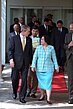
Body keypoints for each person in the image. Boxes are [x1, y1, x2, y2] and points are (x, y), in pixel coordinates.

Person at [31, 35, 59, 104]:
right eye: (41, 39)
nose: (41, 41)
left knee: (48, 83)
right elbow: (35, 57)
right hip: (39, 68)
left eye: (42, 39)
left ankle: (48, 98)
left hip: (49, 68)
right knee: (41, 83)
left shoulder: (51, 48)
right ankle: (42, 95)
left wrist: (56, 67)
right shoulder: (38, 48)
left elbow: (54, 58)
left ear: (46, 40)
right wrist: (33, 66)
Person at [8, 25, 32, 103]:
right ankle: (15, 92)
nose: (30, 32)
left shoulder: (29, 39)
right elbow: (10, 50)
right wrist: (11, 59)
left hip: (25, 63)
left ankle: (22, 96)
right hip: (15, 62)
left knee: (24, 80)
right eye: (28, 31)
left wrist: (31, 63)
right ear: (23, 31)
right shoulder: (14, 38)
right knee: (15, 78)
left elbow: (29, 52)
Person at [27, 26, 40, 98]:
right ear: (31, 31)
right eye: (33, 31)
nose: (35, 32)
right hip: (29, 60)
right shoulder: (28, 39)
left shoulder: (40, 39)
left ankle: (33, 92)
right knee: (28, 76)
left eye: (36, 31)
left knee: (35, 77)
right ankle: (28, 89)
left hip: (37, 60)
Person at [64, 22, 73, 104]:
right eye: (70, 28)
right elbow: (64, 46)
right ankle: (71, 97)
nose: (71, 29)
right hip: (70, 58)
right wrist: (69, 45)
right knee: (70, 79)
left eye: (72, 28)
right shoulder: (67, 35)